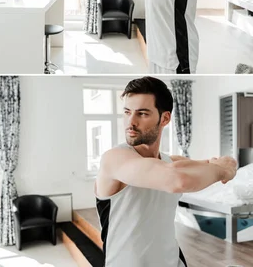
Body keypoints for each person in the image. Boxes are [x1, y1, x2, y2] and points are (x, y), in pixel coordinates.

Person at [95, 76, 237, 267]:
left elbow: (214, 163)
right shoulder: (114, 159)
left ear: (165, 118)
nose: (131, 122)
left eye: (142, 114)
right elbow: (178, 180)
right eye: (127, 112)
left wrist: (227, 164)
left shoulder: (172, 162)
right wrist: (223, 172)